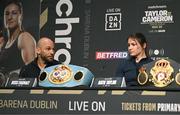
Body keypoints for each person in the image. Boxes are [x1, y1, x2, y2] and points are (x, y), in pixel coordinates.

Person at [0, 0, 36, 75]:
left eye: (14, 13)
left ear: (21, 16)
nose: (9, 17)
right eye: (7, 14)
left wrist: (9, 75)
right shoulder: (3, 42)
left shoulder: (24, 37)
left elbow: (32, 69)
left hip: (17, 85)